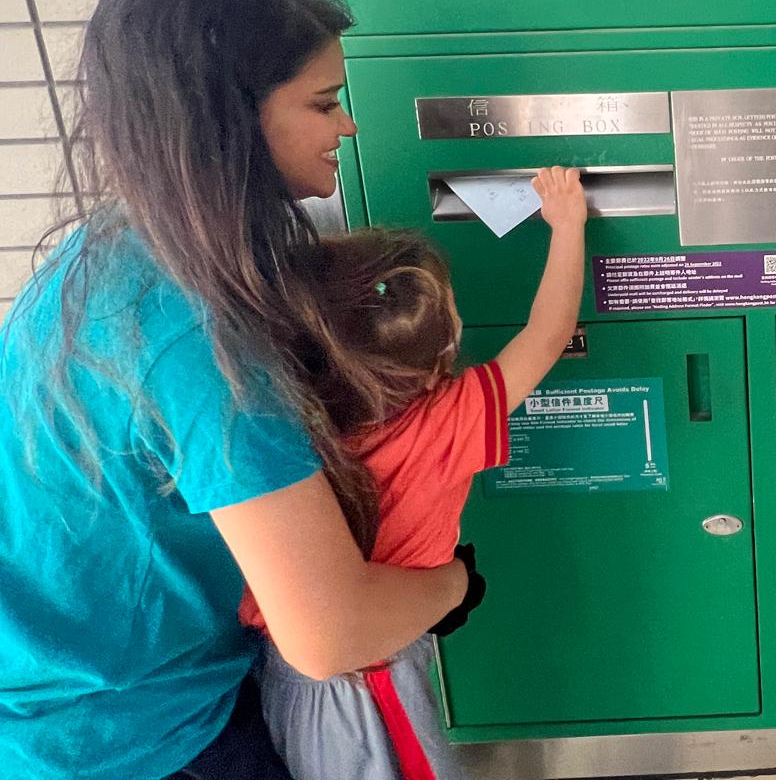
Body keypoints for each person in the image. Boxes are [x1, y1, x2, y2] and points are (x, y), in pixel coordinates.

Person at [0, 0, 478, 780]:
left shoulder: (105, 254)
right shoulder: (202, 341)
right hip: (135, 735)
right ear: (228, 121)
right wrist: (454, 586)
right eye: (323, 103)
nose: (347, 128)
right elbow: (330, 634)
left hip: (58, 705)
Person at [244, 168, 588, 780]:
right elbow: (550, 333)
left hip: (286, 666)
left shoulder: (293, 421)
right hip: (368, 677)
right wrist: (568, 224)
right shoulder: (447, 419)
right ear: (435, 369)